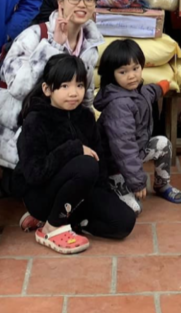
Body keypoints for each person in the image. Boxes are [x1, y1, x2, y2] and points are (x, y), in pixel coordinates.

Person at [0, 0, 105, 181]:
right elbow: (18, 88)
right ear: (60, 2)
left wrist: (88, 127)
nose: (82, 4)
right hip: (22, 118)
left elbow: (87, 92)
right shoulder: (35, 35)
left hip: (59, 119)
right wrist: (53, 46)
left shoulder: (90, 45)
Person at [13, 54, 137, 254]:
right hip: (42, 195)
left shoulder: (85, 117)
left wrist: (105, 200)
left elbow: (100, 164)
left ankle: (69, 222)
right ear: (47, 89)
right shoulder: (36, 121)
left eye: (79, 85)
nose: (73, 93)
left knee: (124, 222)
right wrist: (73, 149)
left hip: (79, 196)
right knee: (86, 164)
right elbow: (34, 174)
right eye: (64, 86)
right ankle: (52, 227)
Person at [96, 39, 181, 213]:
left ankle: (162, 185)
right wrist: (138, 182)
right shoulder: (118, 106)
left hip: (134, 153)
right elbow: (124, 148)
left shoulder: (136, 90)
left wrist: (162, 87)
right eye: (123, 72)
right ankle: (112, 187)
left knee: (163, 144)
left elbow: (148, 93)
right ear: (111, 74)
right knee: (134, 210)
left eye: (135, 68)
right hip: (114, 165)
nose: (132, 76)